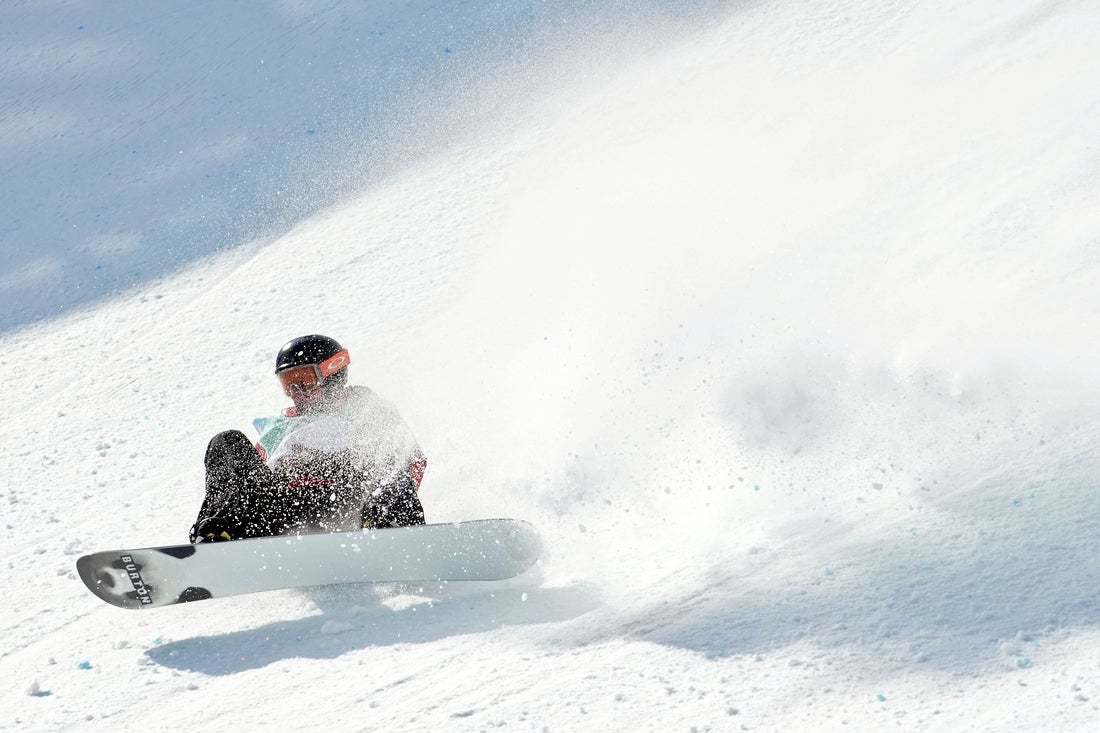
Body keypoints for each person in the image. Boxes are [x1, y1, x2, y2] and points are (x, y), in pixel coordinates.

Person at [189, 334, 426, 543]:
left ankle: (393, 532)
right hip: (279, 509)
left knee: (388, 454)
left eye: (304, 380)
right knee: (227, 441)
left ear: (332, 375)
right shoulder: (278, 426)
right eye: (287, 383)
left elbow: (408, 461)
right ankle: (216, 536)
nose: (295, 392)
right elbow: (248, 478)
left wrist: (337, 466)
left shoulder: (364, 408)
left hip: (342, 502)